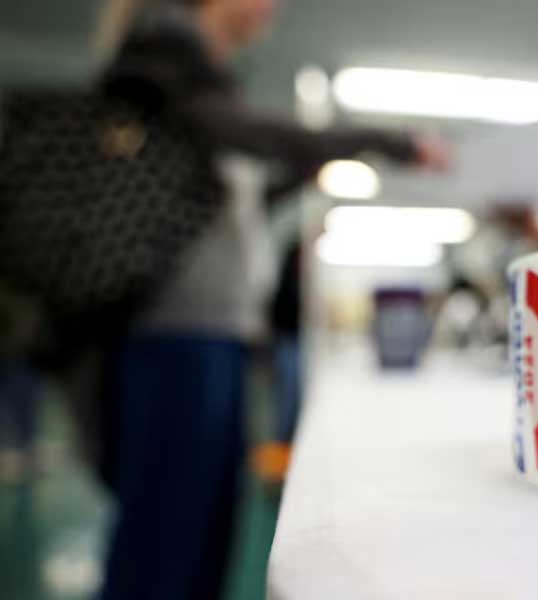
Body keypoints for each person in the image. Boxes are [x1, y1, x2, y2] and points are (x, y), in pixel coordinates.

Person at [95, 1, 448, 598]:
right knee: (164, 535)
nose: (273, 7)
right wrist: (386, 141)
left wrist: (300, 176)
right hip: (176, 333)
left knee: (204, 529)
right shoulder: (162, 53)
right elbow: (255, 134)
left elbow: (232, 203)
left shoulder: (199, 75)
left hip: (214, 333)